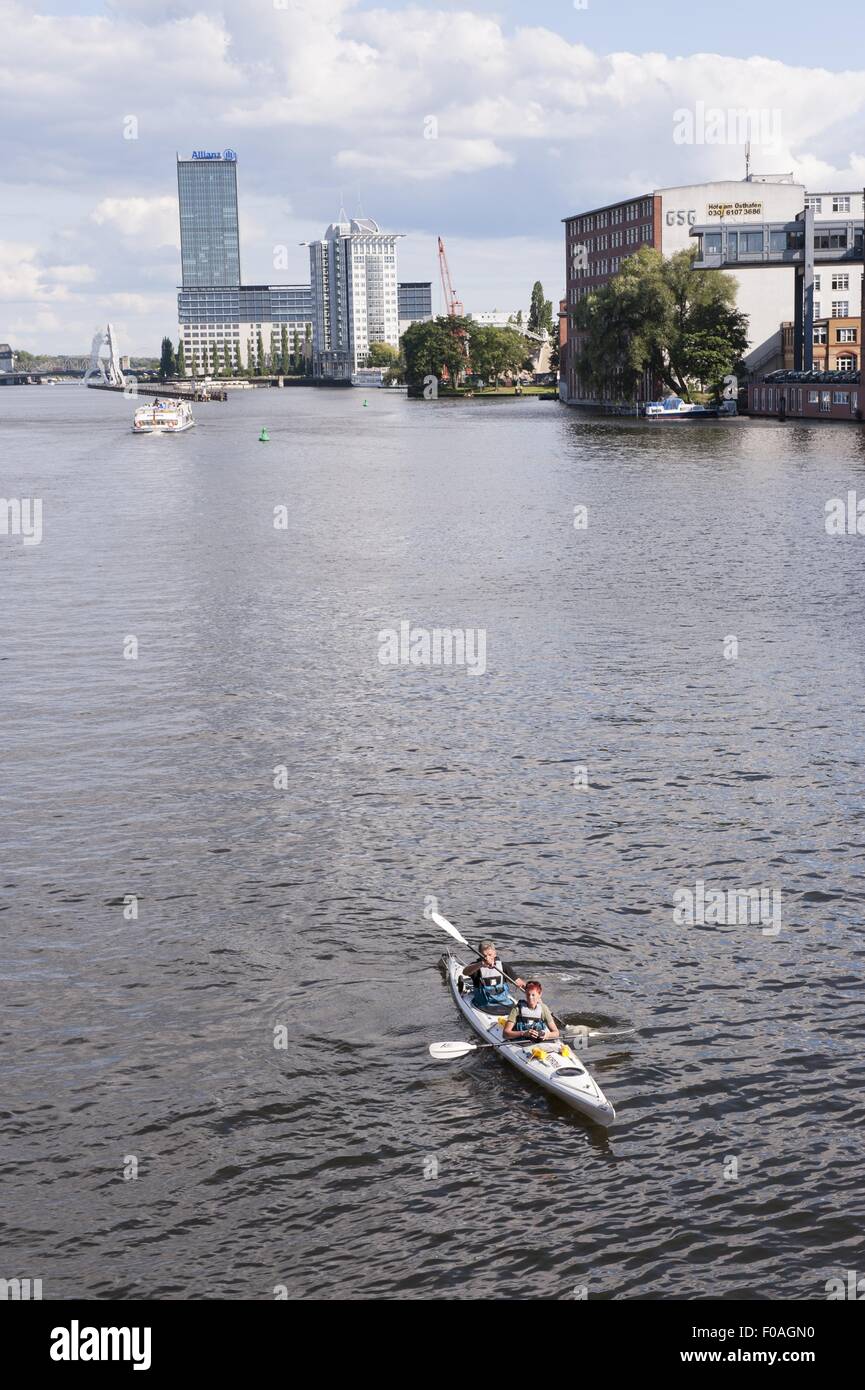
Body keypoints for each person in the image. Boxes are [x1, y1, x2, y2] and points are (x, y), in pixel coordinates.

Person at [460, 941, 526, 1013]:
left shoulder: (503, 966)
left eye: (489, 954)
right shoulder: (476, 966)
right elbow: (465, 972)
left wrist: (532, 992)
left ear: (495, 953)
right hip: (483, 1005)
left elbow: (519, 982)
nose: (487, 958)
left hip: (504, 1003)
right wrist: (480, 964)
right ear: (479, 955)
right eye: (484, 955)